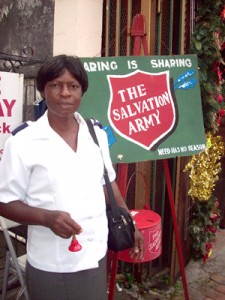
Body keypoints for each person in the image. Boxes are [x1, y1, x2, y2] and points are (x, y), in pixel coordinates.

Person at [0, 54, 144, 300]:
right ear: (43, 90)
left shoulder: (96, 134)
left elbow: (108, 182)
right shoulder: (23, 141)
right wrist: (47, 217)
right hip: (53, 263)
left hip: (95, 253)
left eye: (72, 86)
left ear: (82, 91)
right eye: (56, 85)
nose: (64, 93)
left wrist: (131, 223)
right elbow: (5, 203)